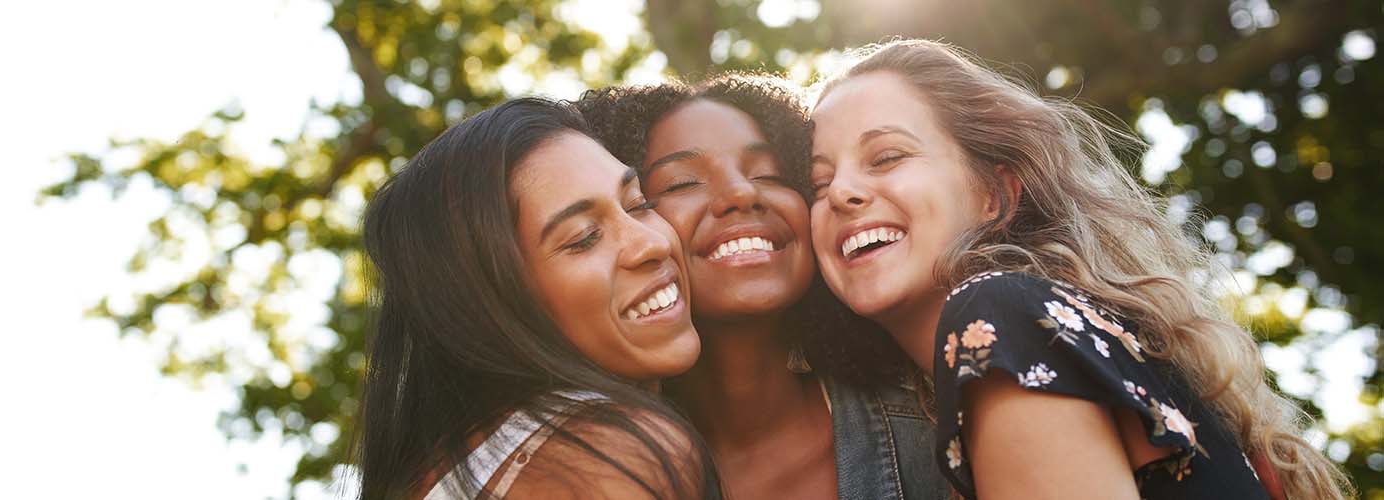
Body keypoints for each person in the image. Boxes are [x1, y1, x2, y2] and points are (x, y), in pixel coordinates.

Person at [805, 39, 1350, 499]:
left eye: (887, 157)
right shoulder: (1057, 340)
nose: (842, 193)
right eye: (818, 182)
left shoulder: (999, 316)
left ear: (994, 193)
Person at [577, 74, 948, 500]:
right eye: (682, 183)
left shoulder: (933, 429)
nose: (741, 192)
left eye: (770, 174)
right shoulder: (576, 472)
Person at [354, 97, 715, 499]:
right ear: (489, 304)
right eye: (584, 238)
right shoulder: (614, 458)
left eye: (639, 204)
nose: (651, 243)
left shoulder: (432, 475)